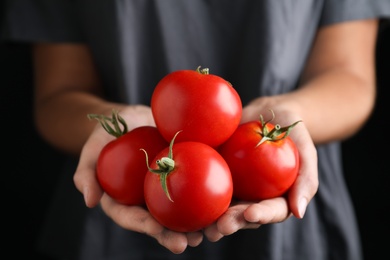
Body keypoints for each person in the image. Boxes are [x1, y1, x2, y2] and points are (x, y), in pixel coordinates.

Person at [2, 1, 390, 259]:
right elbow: (57, 96)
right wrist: (113, 126)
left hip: (290, 225)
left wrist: (285, 117)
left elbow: (350, 79)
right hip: (112, 222)